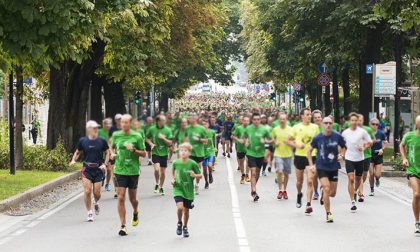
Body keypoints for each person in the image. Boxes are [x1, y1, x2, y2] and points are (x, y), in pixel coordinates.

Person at [110, 114, 146, 236]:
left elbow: (144, 154)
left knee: (133, 199)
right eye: (122, 122)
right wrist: (112, 154)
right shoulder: (116, 135)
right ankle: (123, 225)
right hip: (120, 170)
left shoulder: (137, 136)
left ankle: (135, 211)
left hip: (133, 171)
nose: (124, 124)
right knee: (120, 197)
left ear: (130, 123)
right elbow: (111, 146)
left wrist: (134, 150)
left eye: (126, 122)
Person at [307, 116, 346, 223]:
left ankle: (323, 192)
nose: (328, 125)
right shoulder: (318, 138)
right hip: (321, 166)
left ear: (332, 124)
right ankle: (328, 213)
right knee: (327, 188)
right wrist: (311, 165)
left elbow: (343, 147)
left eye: (330, 123)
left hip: (333, 166)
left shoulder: (337, 136)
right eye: (326, 123)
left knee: (332, 193)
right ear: (322, 124)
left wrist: (342, 155)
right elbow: (309, 151)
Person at [70, 120, 109, 222]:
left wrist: (105, 164)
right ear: (89, 129)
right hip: (87, 169)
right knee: (87, 191)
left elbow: (107, 152)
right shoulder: (83, 141)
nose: (96, 130)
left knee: (97, 193)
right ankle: (89, 212)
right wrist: (73, 160)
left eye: (97, 128)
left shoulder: (102, 141)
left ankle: (95, 202)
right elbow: (77, 152)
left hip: (98, 169)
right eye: (94, 128)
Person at [288, 108, 320, 212]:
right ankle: (299, 194)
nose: (309, 116)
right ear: (302, 116)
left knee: (310, 180)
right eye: (307, 114)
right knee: (299, 181)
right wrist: (296, 144)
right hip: (299, 156)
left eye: (310, 115)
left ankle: (308, 204)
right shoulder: (296, 127)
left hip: (312, 156)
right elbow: (288, 141)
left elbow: (318, 141)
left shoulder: (315, 127)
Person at [341, 113, 372, 212]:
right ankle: (352, 201)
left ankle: (355, 191)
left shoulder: (362, 132)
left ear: (358, 121)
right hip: (349, 158)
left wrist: (363, 147)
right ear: (349, 121)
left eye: (356, 120)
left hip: (360, 159)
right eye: (352, 120)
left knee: (358, 179)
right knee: (351, 179)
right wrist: (342, 154)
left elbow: (370, 142)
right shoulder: (345, 132)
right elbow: (342, 145)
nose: (354, 122)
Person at [172, 142, 202, 238]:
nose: (183, 152)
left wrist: (195, 175)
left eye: (185, 151)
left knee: (186, 210)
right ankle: (179, 223)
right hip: (178, 188)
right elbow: (173, 172)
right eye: (181, 150)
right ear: (179, 152)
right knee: (180, 207)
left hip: (188, 190)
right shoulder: (175, 162)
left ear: (189, 153)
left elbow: (200, 175)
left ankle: (185, 227)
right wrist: (172, 179)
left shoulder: (192, 163)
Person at [242, 113, 272, 201]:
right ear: (252, 120)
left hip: (261, 154)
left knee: (257, 173)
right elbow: (244, 137)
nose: (256, 121)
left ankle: (253, 188)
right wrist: (246, 142)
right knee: (253, 172)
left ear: (260, 120)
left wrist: (265, 141)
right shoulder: (248, 128)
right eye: (254, 119)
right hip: (250, 152)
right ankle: (254, 191)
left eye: (258, 119)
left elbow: (271, 140)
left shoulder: (264, 129)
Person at [400, 115, 420, 234]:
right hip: (412, 169)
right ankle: (417, 221)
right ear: (416, 124)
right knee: (417, 194)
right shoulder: (409, 136)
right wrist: (404, 158)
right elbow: (401, 145)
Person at [146, 115, 173, 195]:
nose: (164, 122)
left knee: (163, 173)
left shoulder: (168, 130)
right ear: (158, 121)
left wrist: (163, 138)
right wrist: (151, 144)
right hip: (155, 152)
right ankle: (157, 183)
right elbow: (147, 138)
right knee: (157, 170)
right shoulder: (152, 129)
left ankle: (161, 187)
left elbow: (170, 143)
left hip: (164, 153)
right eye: (162, 120)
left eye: (165, 120)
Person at [271, 113, 293, 200]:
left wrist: (290, 142)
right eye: (281, 119)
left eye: (284, 119)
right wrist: (274, 142)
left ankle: (285, 190)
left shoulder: (291, 129)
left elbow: (294, 139)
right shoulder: (275, 129)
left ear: (286, 119)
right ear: (279, 120)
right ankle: (280, 190)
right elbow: (272, 138)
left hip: (288, 154)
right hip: (278, 153)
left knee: (286, 174)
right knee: (280, 172)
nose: (282, 120)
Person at [186, 113, 208, 195]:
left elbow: (206, 141)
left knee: (197, 171)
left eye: (191, 118)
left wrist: (198, 139)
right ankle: (189, 186)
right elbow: (184, 138)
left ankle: (197, 185)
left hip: (199, 153)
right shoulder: (187, 128)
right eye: (189, 118)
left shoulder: (201, 129)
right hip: (190, 153)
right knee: (189, 170)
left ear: (195, 119)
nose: (190, 119)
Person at [357, 114, 375, 202]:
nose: (359, 122)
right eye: (358, 120)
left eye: (360, 120)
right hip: (357, 156)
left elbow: (373, 140)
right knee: (359, 175)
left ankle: (357, 186)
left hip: (367, 155)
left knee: (364, 175)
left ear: (363, 121)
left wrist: (366, 145)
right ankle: (361, 194)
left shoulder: (367, 129)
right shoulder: (353, 130)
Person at [369, 118, 388, 195]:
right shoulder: (367, 133)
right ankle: (372, 190)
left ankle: (377, 179)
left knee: (377, 174)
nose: (375, 126)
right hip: (369, 155)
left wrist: (382, 149)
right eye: (373, 124)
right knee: (371, 173)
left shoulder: (381, 133)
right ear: (370, 124)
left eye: (377, 124)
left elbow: (386, 143)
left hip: (378, 154)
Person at [232, 116, 250, 184]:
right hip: (240, 148)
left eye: (247, 121)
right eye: (244, 121)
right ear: (242, 121)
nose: (246, 122)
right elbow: (233, 136)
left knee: (248, 161)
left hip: (248, 148)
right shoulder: (238, 128)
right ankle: (243, 175)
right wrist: (239, 140)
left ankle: (247, 175)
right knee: (241, 162)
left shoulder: (250, 128)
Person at [99, 118, 113, 191]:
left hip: (109, 153)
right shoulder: (99, 132)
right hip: (100, 153)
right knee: (102, 169)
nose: (108, 125)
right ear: (103, 124)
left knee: (109, 170)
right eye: (106, 123)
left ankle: (107, 184)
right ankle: (102, 177)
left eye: (109, 123)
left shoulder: (113, 132)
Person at [311, 110, 323, 200]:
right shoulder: (311, 128)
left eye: (319, 117)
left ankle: (323, 189)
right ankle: (315, 191)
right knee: (315, 174)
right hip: (314, 154)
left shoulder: (326, 126)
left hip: (324, 154)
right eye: (315, 117)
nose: (317, 119)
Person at [202, 119, 216, 189]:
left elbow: (214, 140)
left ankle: (210, 174)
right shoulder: (201, 133)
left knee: (210, 165)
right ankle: (206, 182)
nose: (204, 125)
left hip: (210, 151)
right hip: (203, 153)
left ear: (208, 125)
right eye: (203, 124)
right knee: (204, 170)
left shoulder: (212, 132)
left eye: (206, 124)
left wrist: (215, 148)